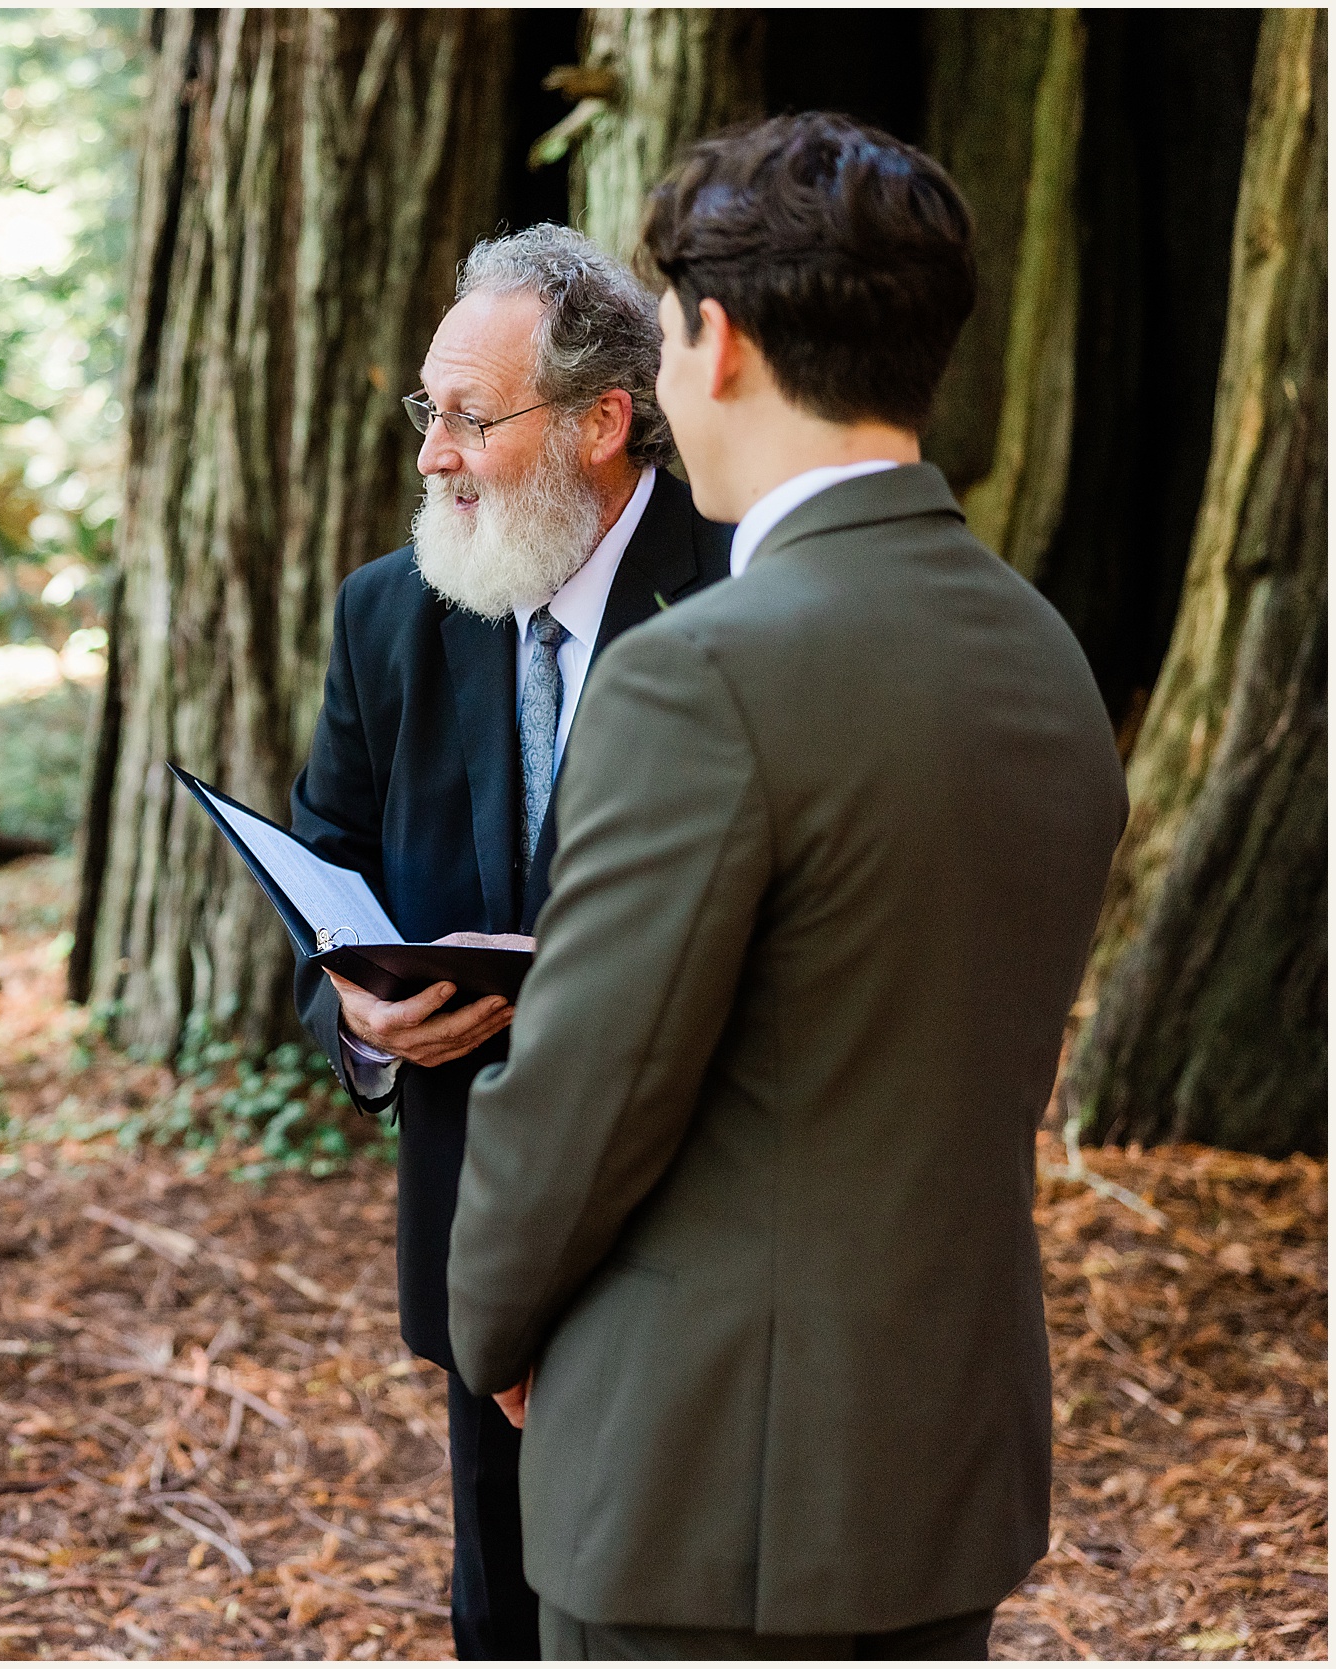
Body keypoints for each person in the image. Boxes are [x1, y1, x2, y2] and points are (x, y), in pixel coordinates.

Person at [444, 114, 1129, 1660]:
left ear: (720, 339)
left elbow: (586, 1089)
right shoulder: (1045, 653)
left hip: (711, 1489)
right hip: (941, 1462)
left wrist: (490, 1318)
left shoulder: (705, 674)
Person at [289, 223, 732, 1659]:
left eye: (474, 419)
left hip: (702, 1239)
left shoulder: (743, 598)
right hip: (477, 1228)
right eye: (432, 412)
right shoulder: (388, 614)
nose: (435, 455)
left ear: (607, 421)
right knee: (507, 1612)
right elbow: (326, 870)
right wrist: (359, 1021)